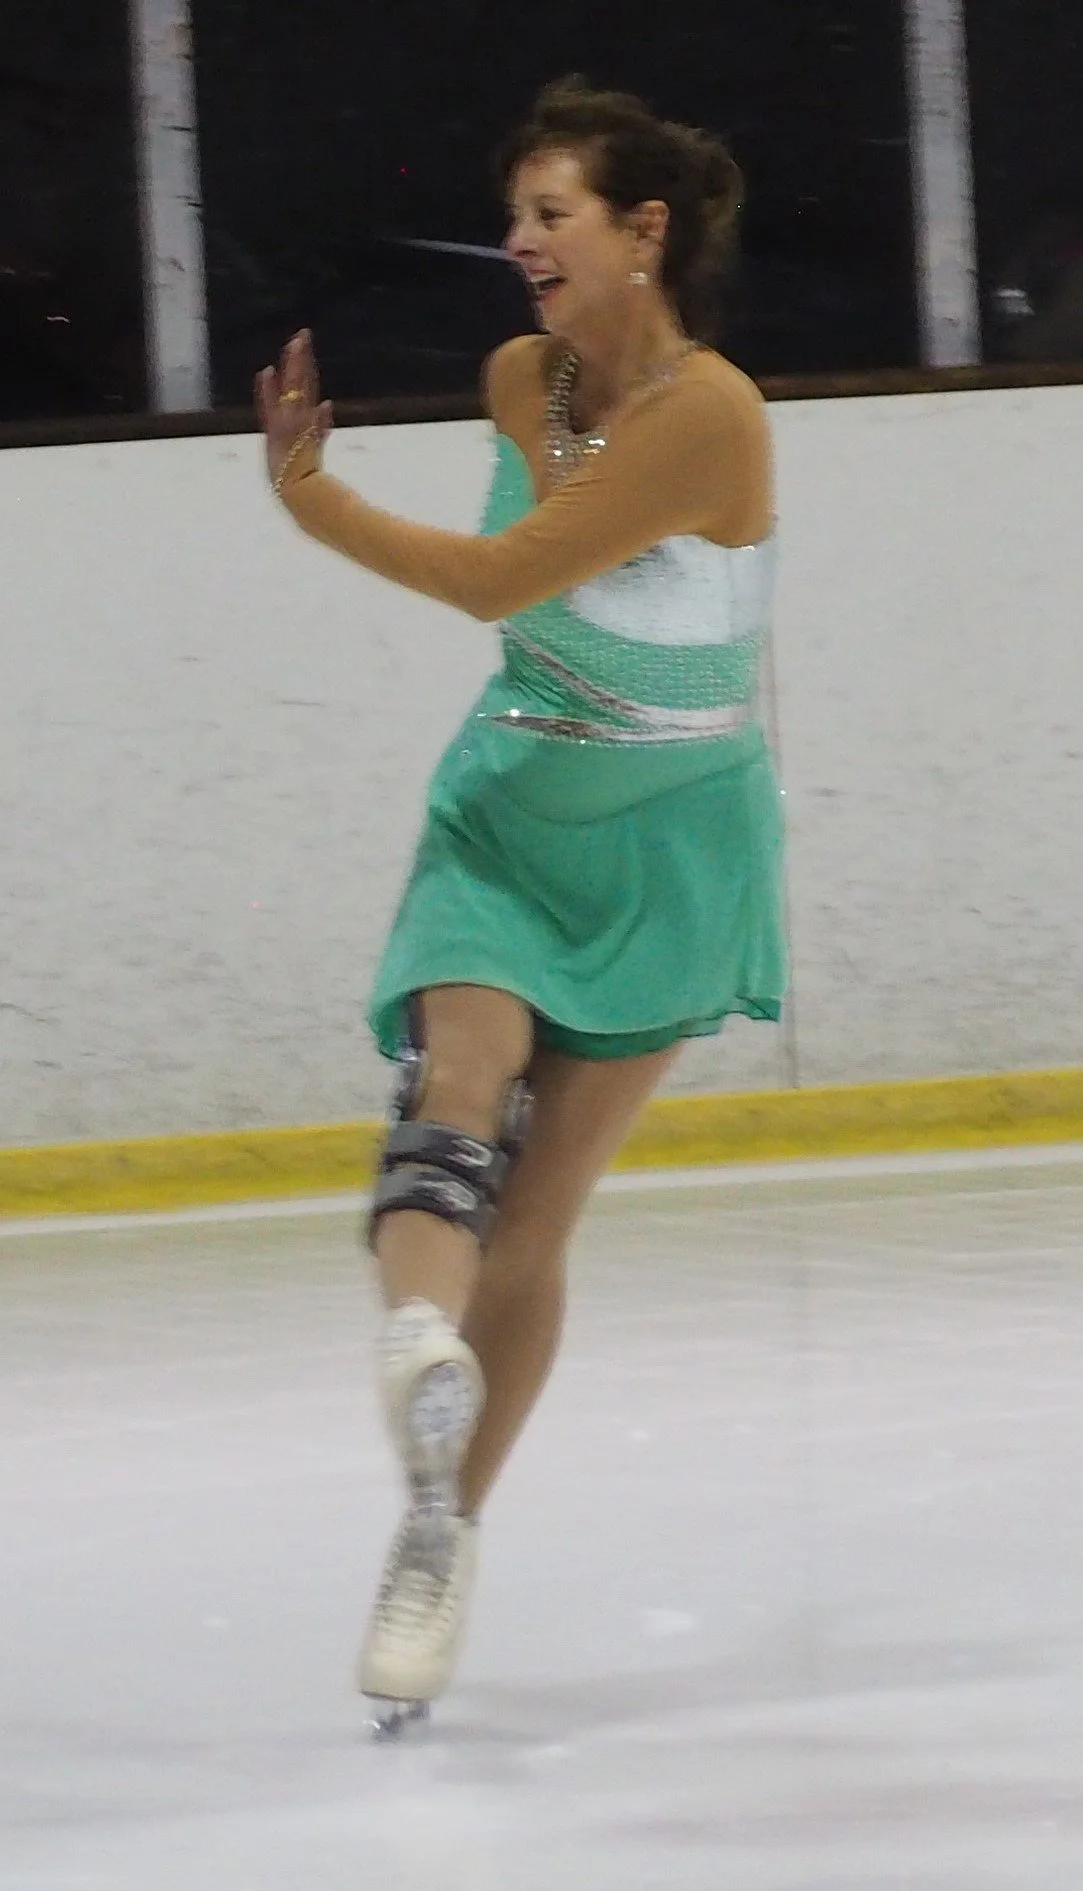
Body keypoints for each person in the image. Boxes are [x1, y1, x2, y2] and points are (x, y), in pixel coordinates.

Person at [256, 77, 787, 1736]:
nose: (519, 242)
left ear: (645, 230)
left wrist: (310, 496)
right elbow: (518, 607)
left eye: (552, 214)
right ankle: (420, 1341)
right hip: (507, 806)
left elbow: (501, 576)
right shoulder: (518, 378)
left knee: (538, 1217)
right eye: (515, 216)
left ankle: (437, 1531)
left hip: (670, 841)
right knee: (453, 1091)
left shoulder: (710, 415)